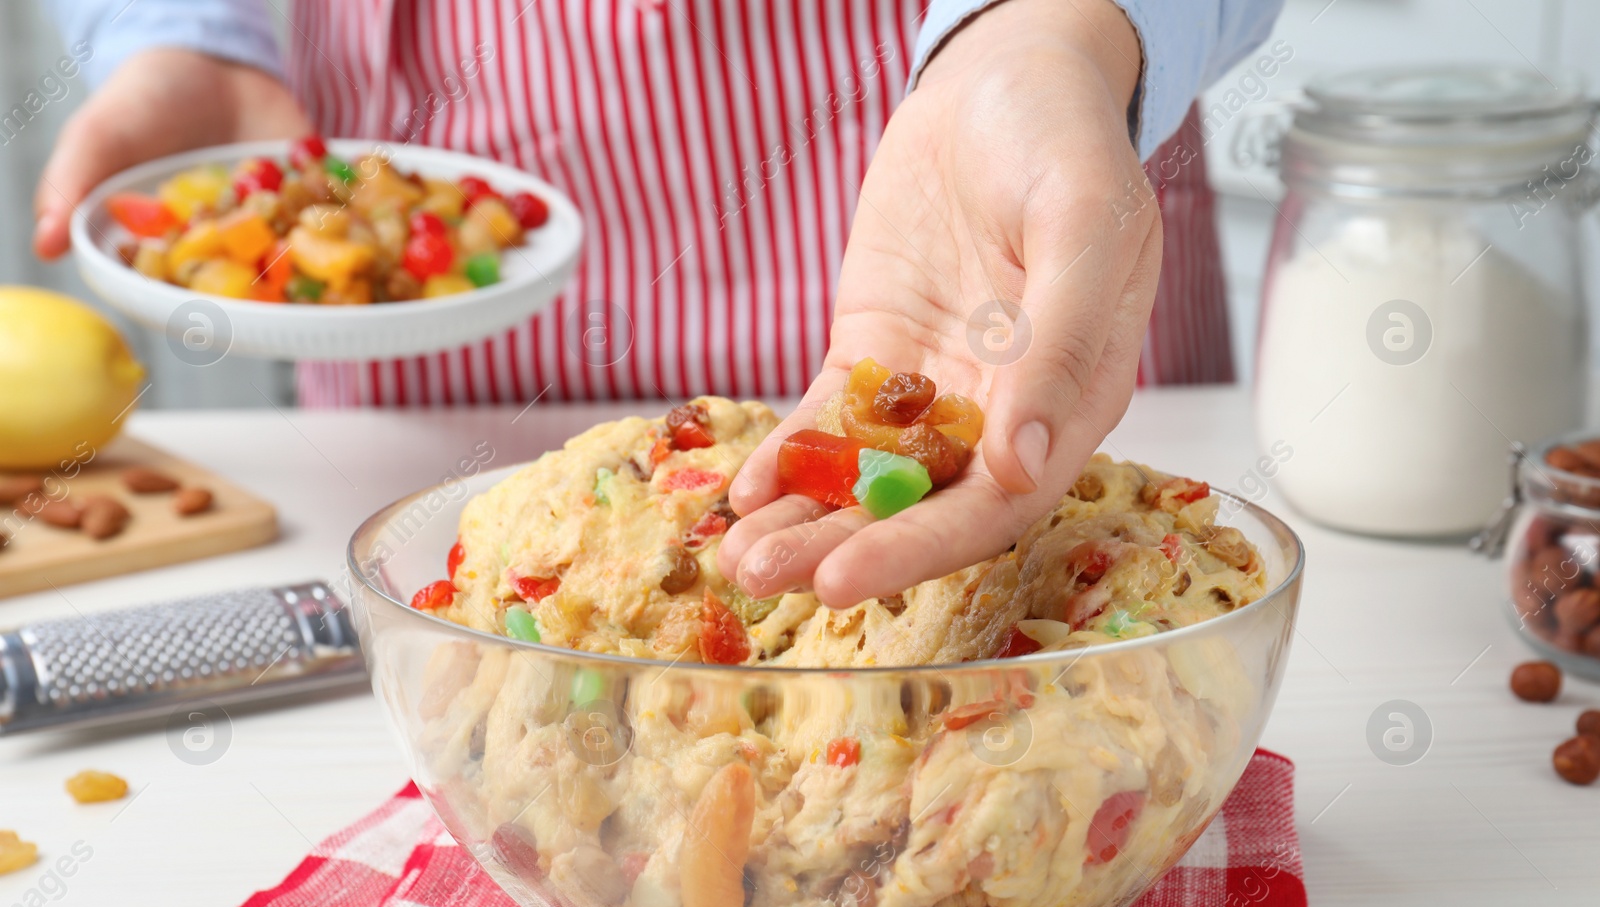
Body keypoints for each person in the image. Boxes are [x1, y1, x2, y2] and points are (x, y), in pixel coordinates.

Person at [36, 0, 1283, 606]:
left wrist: (1052, 38)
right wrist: (184, 31)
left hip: (994, 208)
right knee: (490, 599)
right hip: (447, 271)